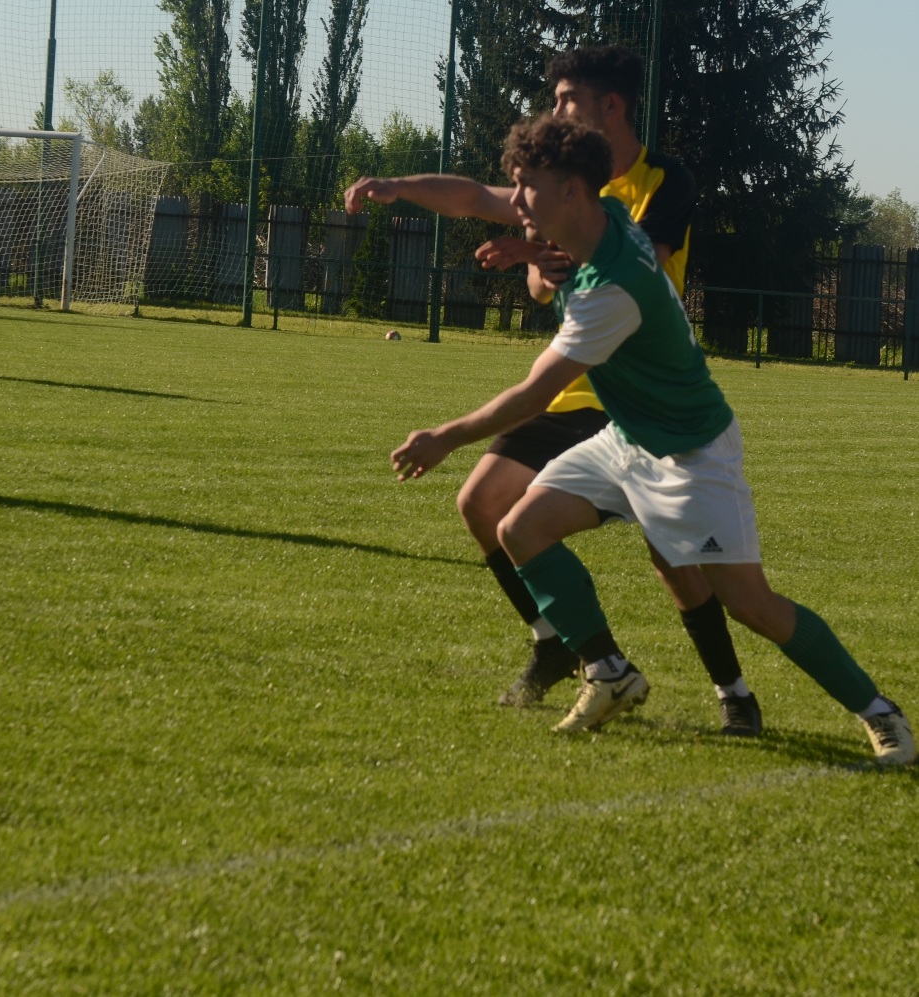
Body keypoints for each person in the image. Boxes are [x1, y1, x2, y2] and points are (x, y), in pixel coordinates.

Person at [382, 113, 914, 764]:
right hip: (628, 438)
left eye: (526, 186)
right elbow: (493, 207)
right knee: (519, 527)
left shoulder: (612, 291)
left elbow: (534, 394)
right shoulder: (603, 216)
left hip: (692, 454)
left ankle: (881, 712)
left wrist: (444, 436)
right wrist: (522, 248)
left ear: (571, 190)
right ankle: (608, 671)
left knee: (752, 604)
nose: (515, 199)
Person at [344, 44, 761, 738]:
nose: (555, 109)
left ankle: (734, 692)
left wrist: (536, 255)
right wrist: (396, 185)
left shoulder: (664, 182)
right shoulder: (555, 180)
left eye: (567, 99)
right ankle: (561, 645)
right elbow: (480, 204)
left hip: (638, 396)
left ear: (610, 106)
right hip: (570, 388)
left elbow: (634, 266)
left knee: (673, 559)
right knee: (481, 503)